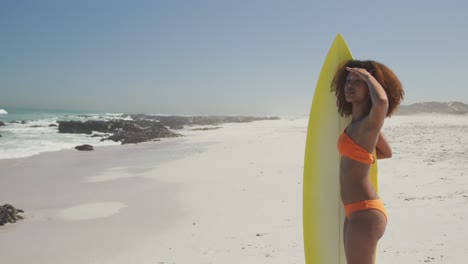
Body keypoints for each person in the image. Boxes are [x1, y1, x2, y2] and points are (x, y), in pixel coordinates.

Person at [332, 60, 404, 264]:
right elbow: (386, 152)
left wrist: (368, 75)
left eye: (358, 80)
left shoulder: (368, 124)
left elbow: (381, 102)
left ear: (370, 85)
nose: (350, 85)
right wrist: (363, 157)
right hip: (355, 211)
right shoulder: (362, 126)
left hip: (365, 211)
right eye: (347, 80)